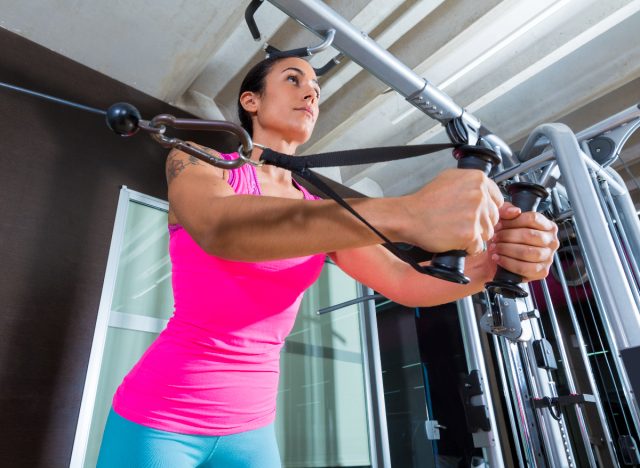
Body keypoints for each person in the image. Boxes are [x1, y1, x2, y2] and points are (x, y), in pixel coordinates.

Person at [97, 56, 559, 467]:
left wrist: (494, 263)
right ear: (251, 101)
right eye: (294, 79)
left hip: (253, 429)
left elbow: (403, 281)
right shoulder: (200, 163)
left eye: (316, 91)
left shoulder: (319, 207)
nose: (309, 94)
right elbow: (222, 227)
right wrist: (407, 213)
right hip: (161, 418)